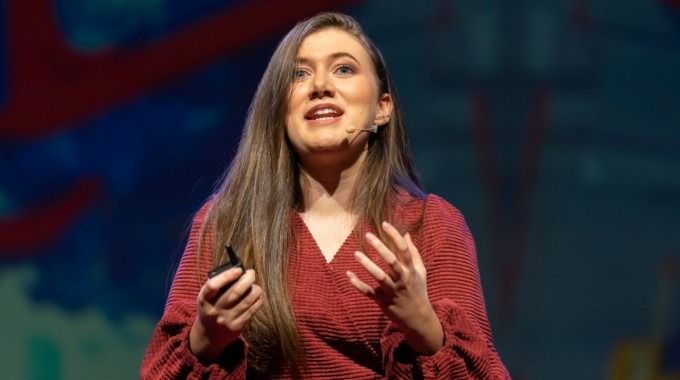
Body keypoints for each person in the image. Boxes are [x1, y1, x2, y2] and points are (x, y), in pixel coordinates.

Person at [141, 11, 510, 379]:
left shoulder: (431, 226)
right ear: (279, 111)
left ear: (382, 108)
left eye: (344, 69)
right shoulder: (228, 224)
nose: (319, 85)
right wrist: (206, 337)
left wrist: (423, 325)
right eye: (299, 74)